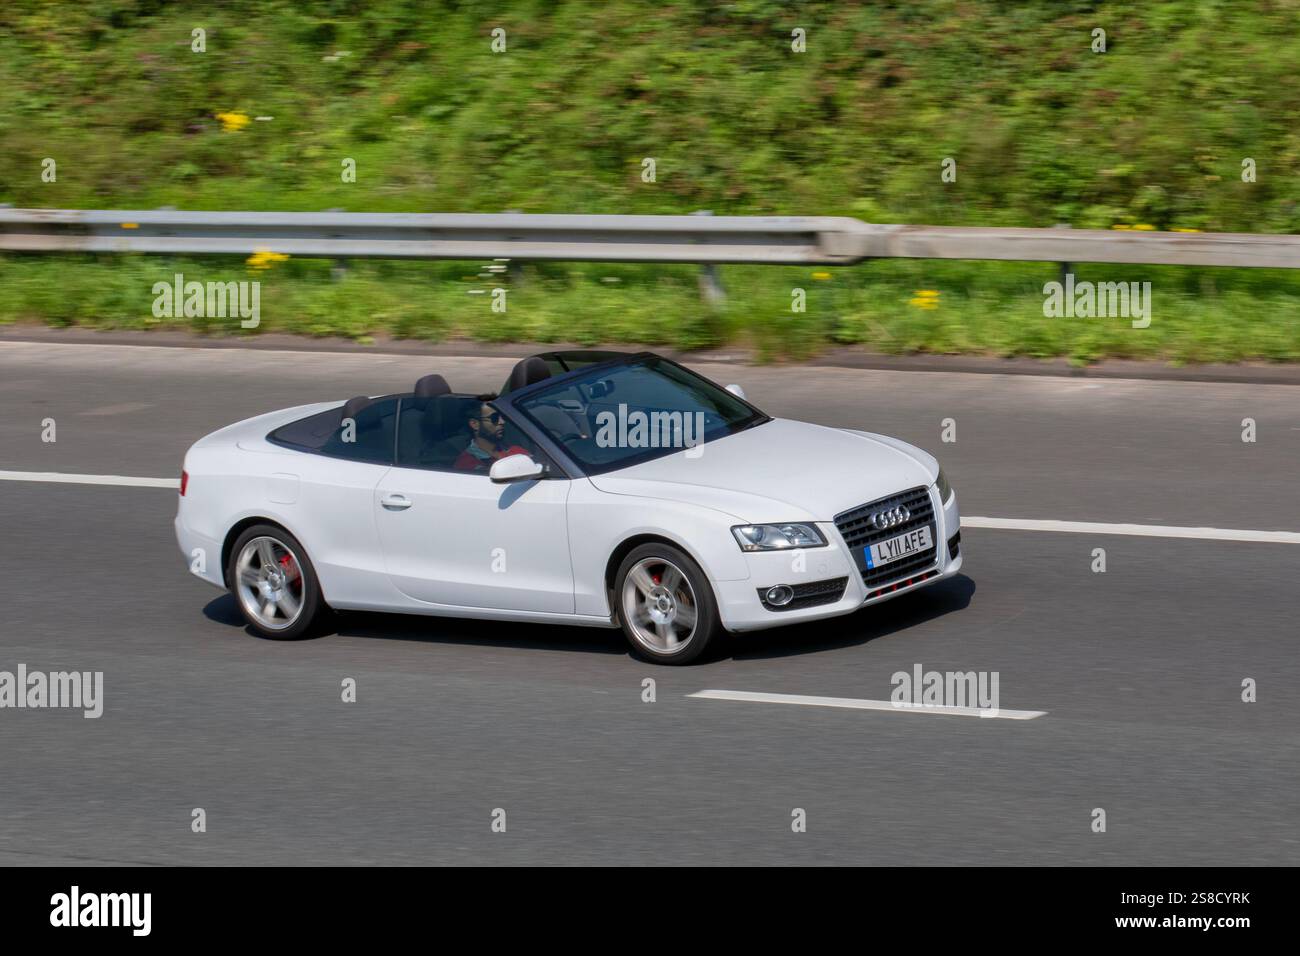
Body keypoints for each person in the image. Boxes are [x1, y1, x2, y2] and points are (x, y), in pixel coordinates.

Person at [453, 401, 530, 472]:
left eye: (502, 416)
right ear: (474, 424)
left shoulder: (516, 450)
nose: (502, 422)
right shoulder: (466, 463)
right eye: (494, 418)